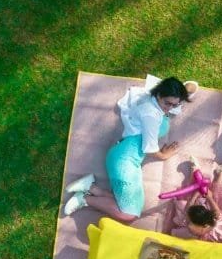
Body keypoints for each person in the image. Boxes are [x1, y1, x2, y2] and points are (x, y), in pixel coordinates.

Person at [63, 76, 197, 222]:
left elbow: (187, 89)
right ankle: (85, 199)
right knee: (128, 214)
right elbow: (149, 148)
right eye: (168, 103)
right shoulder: (151, 116)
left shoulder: (152, 98)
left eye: (174, 104)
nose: (170, 108)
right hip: (124, 161)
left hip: (123, 155)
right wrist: (164, 155)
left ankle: (91, 187)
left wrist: (184, 90)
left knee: (126, 203)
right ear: (159, 95)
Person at [169, 161, 222, 242]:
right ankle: (216, 172)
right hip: (203, 212)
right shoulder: (190, 222)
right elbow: (189, 208)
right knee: (216, 195)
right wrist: (203, 197)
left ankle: (216, 171)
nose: (189, 223)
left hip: (207, 211)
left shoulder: (210, 221)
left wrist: (206, 197)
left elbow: (215, 212)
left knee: (215, 193)